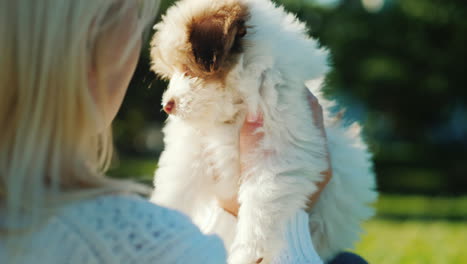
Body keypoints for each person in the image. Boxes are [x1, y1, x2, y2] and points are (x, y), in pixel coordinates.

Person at [0, 0, 365, 263]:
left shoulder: (271, 83)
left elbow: (278, 174)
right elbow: (179, 181)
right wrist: (285, 240)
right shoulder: (139, 241)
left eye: (189, 72)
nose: (168, 99)